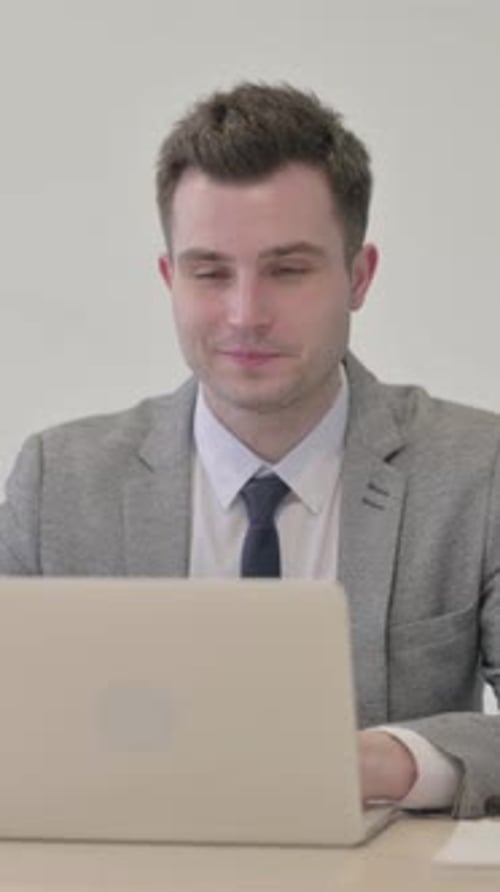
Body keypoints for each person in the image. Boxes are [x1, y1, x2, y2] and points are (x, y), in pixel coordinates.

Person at [0, 82, 499, 818]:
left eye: (289, 270)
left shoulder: (476, 470)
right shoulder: (60, 481)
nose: (245, 314)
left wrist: (390, 761)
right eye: (209, 272)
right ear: (170, 280)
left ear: (358, 277)